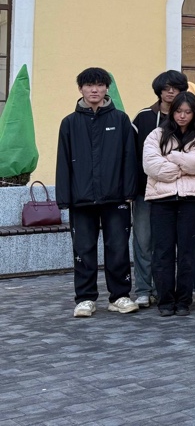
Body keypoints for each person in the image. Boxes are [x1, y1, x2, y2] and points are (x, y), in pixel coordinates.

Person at [55, 67, 140, 317]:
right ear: (80, 89)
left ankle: (120, 296)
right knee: (83, 249)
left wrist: (129, 191)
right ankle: (85, 299)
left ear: (107, 88)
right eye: (89, 85)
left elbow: (129, 158)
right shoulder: (69, 122)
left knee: (118, 248)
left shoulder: (120, 120)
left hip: (116, 197)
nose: (95, 90)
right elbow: (63, 160)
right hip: (81, 199)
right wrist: (64, 197)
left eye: (100, 85)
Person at [141, 92, 195, 317]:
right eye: (179, 111)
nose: (182, 116)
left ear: (194, 114)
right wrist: (184, 165)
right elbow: (152, 166)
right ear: (172, 112)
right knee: (162, 252)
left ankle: (183, 301)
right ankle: (165, 300)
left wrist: (174, 157)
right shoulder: (156, 134)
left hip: (192, 199)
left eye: (187, 112)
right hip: (161, 200)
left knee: (187, 252)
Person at [131, 69, 188, 308]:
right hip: (146, 190)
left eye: (175, 88)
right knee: (143, 241)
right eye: (166, 88)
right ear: (159, 91)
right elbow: (133, 155)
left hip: (178, 191)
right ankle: (144, 289)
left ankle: (165, 289)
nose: (171, 92)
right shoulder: (144, 117)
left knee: (168, 244)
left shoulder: (188, 117)